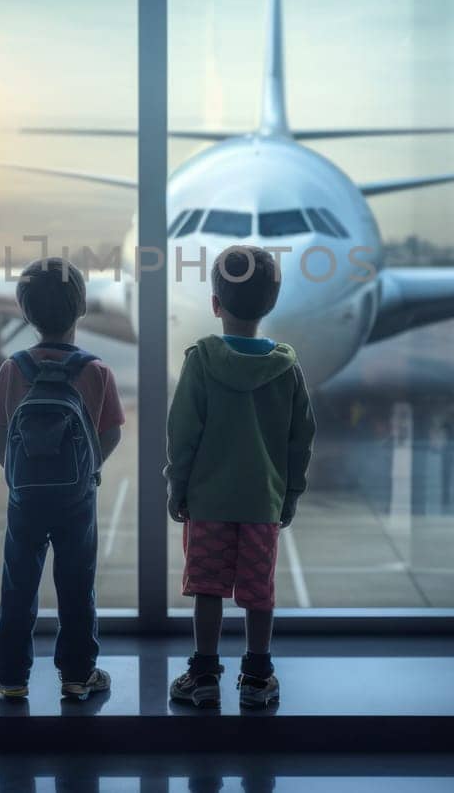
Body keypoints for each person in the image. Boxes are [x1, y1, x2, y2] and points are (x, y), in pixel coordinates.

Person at [166, 245, 316, 709]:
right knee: (258, 593)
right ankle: (256, 678)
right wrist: (289, 494)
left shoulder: (201, 360)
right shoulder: (287, 369)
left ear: (215, 303)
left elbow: (182, 433)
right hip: (261, 504)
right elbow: (300, 439)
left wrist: (179, 485)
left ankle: (204, 675)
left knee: (207, 590)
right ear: (271, 304)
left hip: (209, 503)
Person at [0, 257, 124, 703]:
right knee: (77, 586)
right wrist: (89, 468)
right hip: (76, 499)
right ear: (82, 308)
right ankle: (78, 676)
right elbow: (112, 430)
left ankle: (10, 677)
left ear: (25, 313)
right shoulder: (96, 371)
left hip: (25, 498)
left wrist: (16, 471)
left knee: (18, 585)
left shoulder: (13, 369)